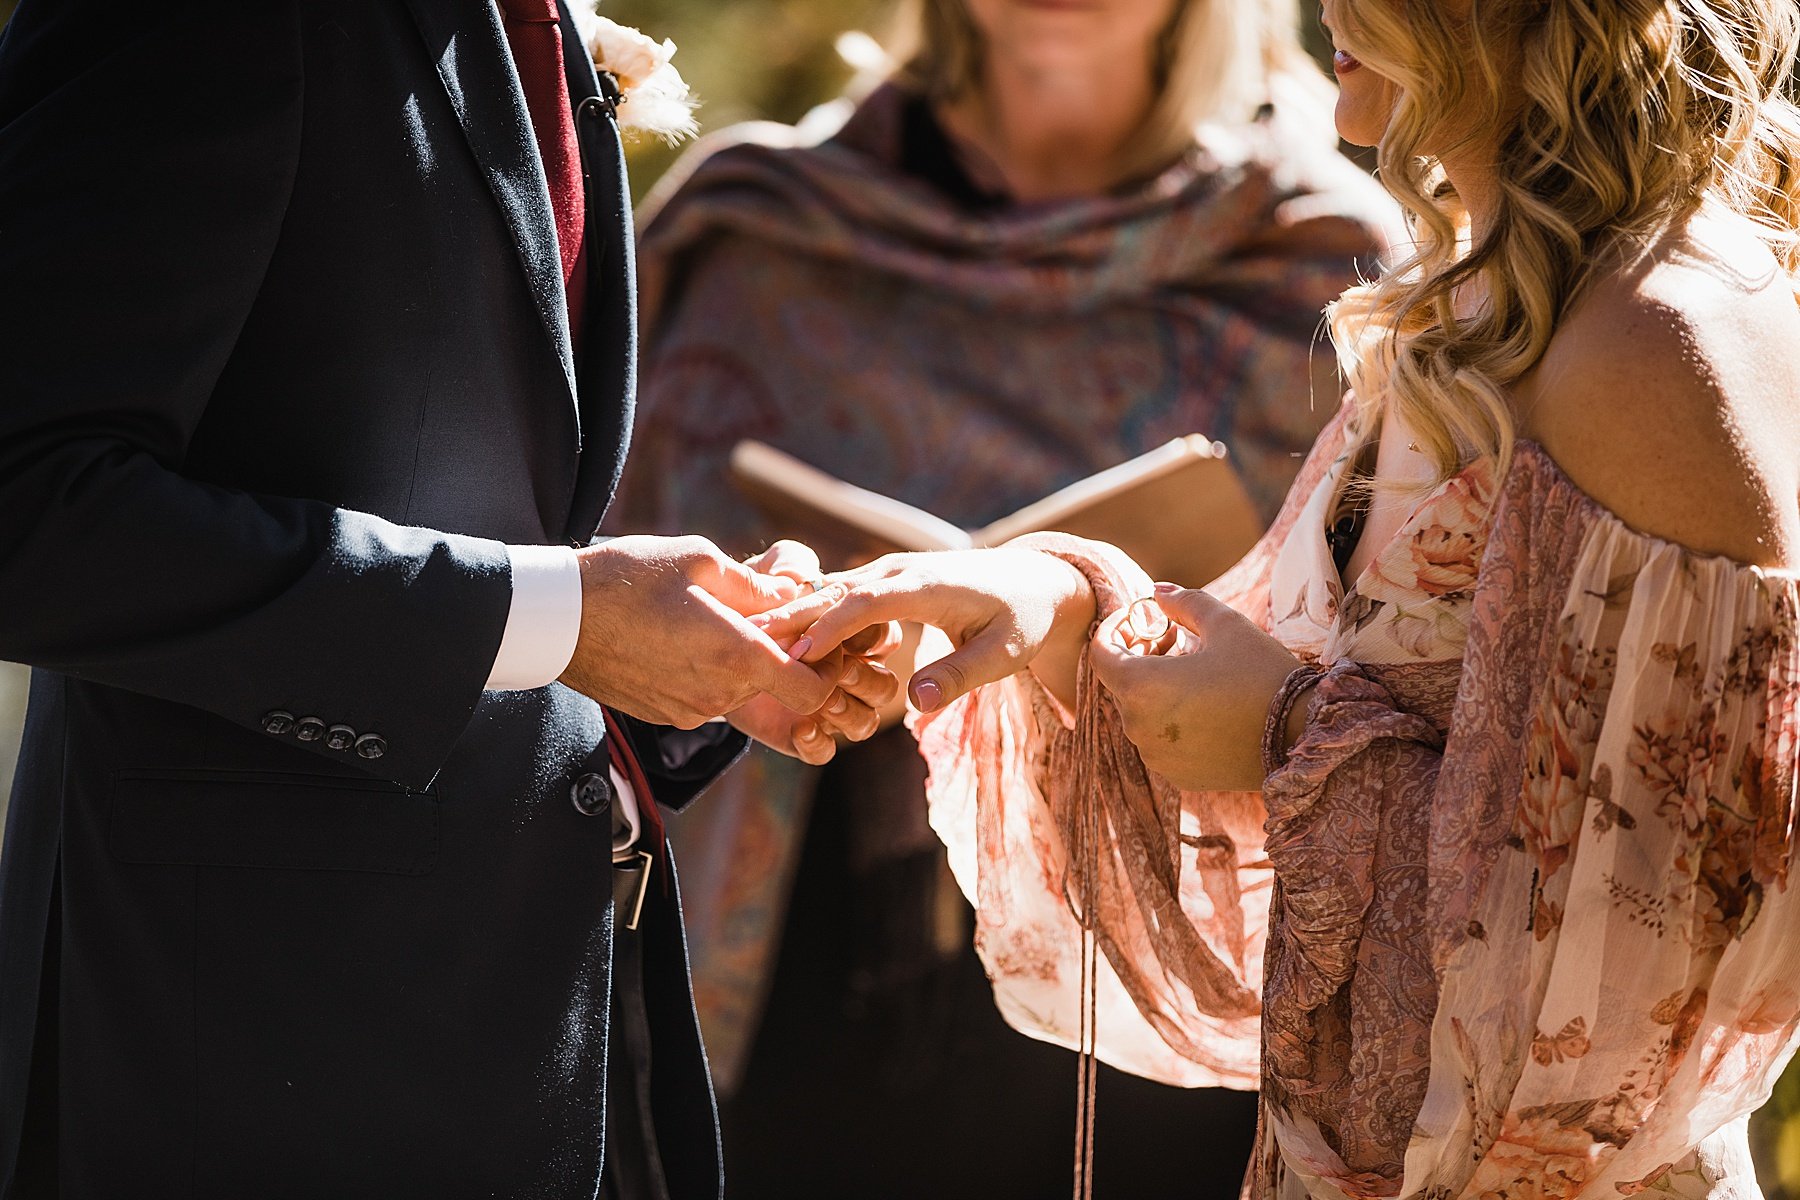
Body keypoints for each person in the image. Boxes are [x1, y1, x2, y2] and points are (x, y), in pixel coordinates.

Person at [757, 0, 1800, 1195]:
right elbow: (1308, 684)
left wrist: (1290, 737)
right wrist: (1062, 607)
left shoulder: (1657, 347)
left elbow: (1647, 988)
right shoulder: (1488, 298)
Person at [0, 1, 895, 1196]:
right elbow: (29, 510)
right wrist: (564, 617)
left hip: (514, 1049)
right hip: (249, 1072)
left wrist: (702, 650)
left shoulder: (525, 25)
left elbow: (460, 498)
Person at [606, 0, 1398, 1193]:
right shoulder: (752, 229)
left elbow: (1405, 670)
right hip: (793, 980)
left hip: (1159, 994)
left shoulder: (1326, 256)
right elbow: (601, 586)